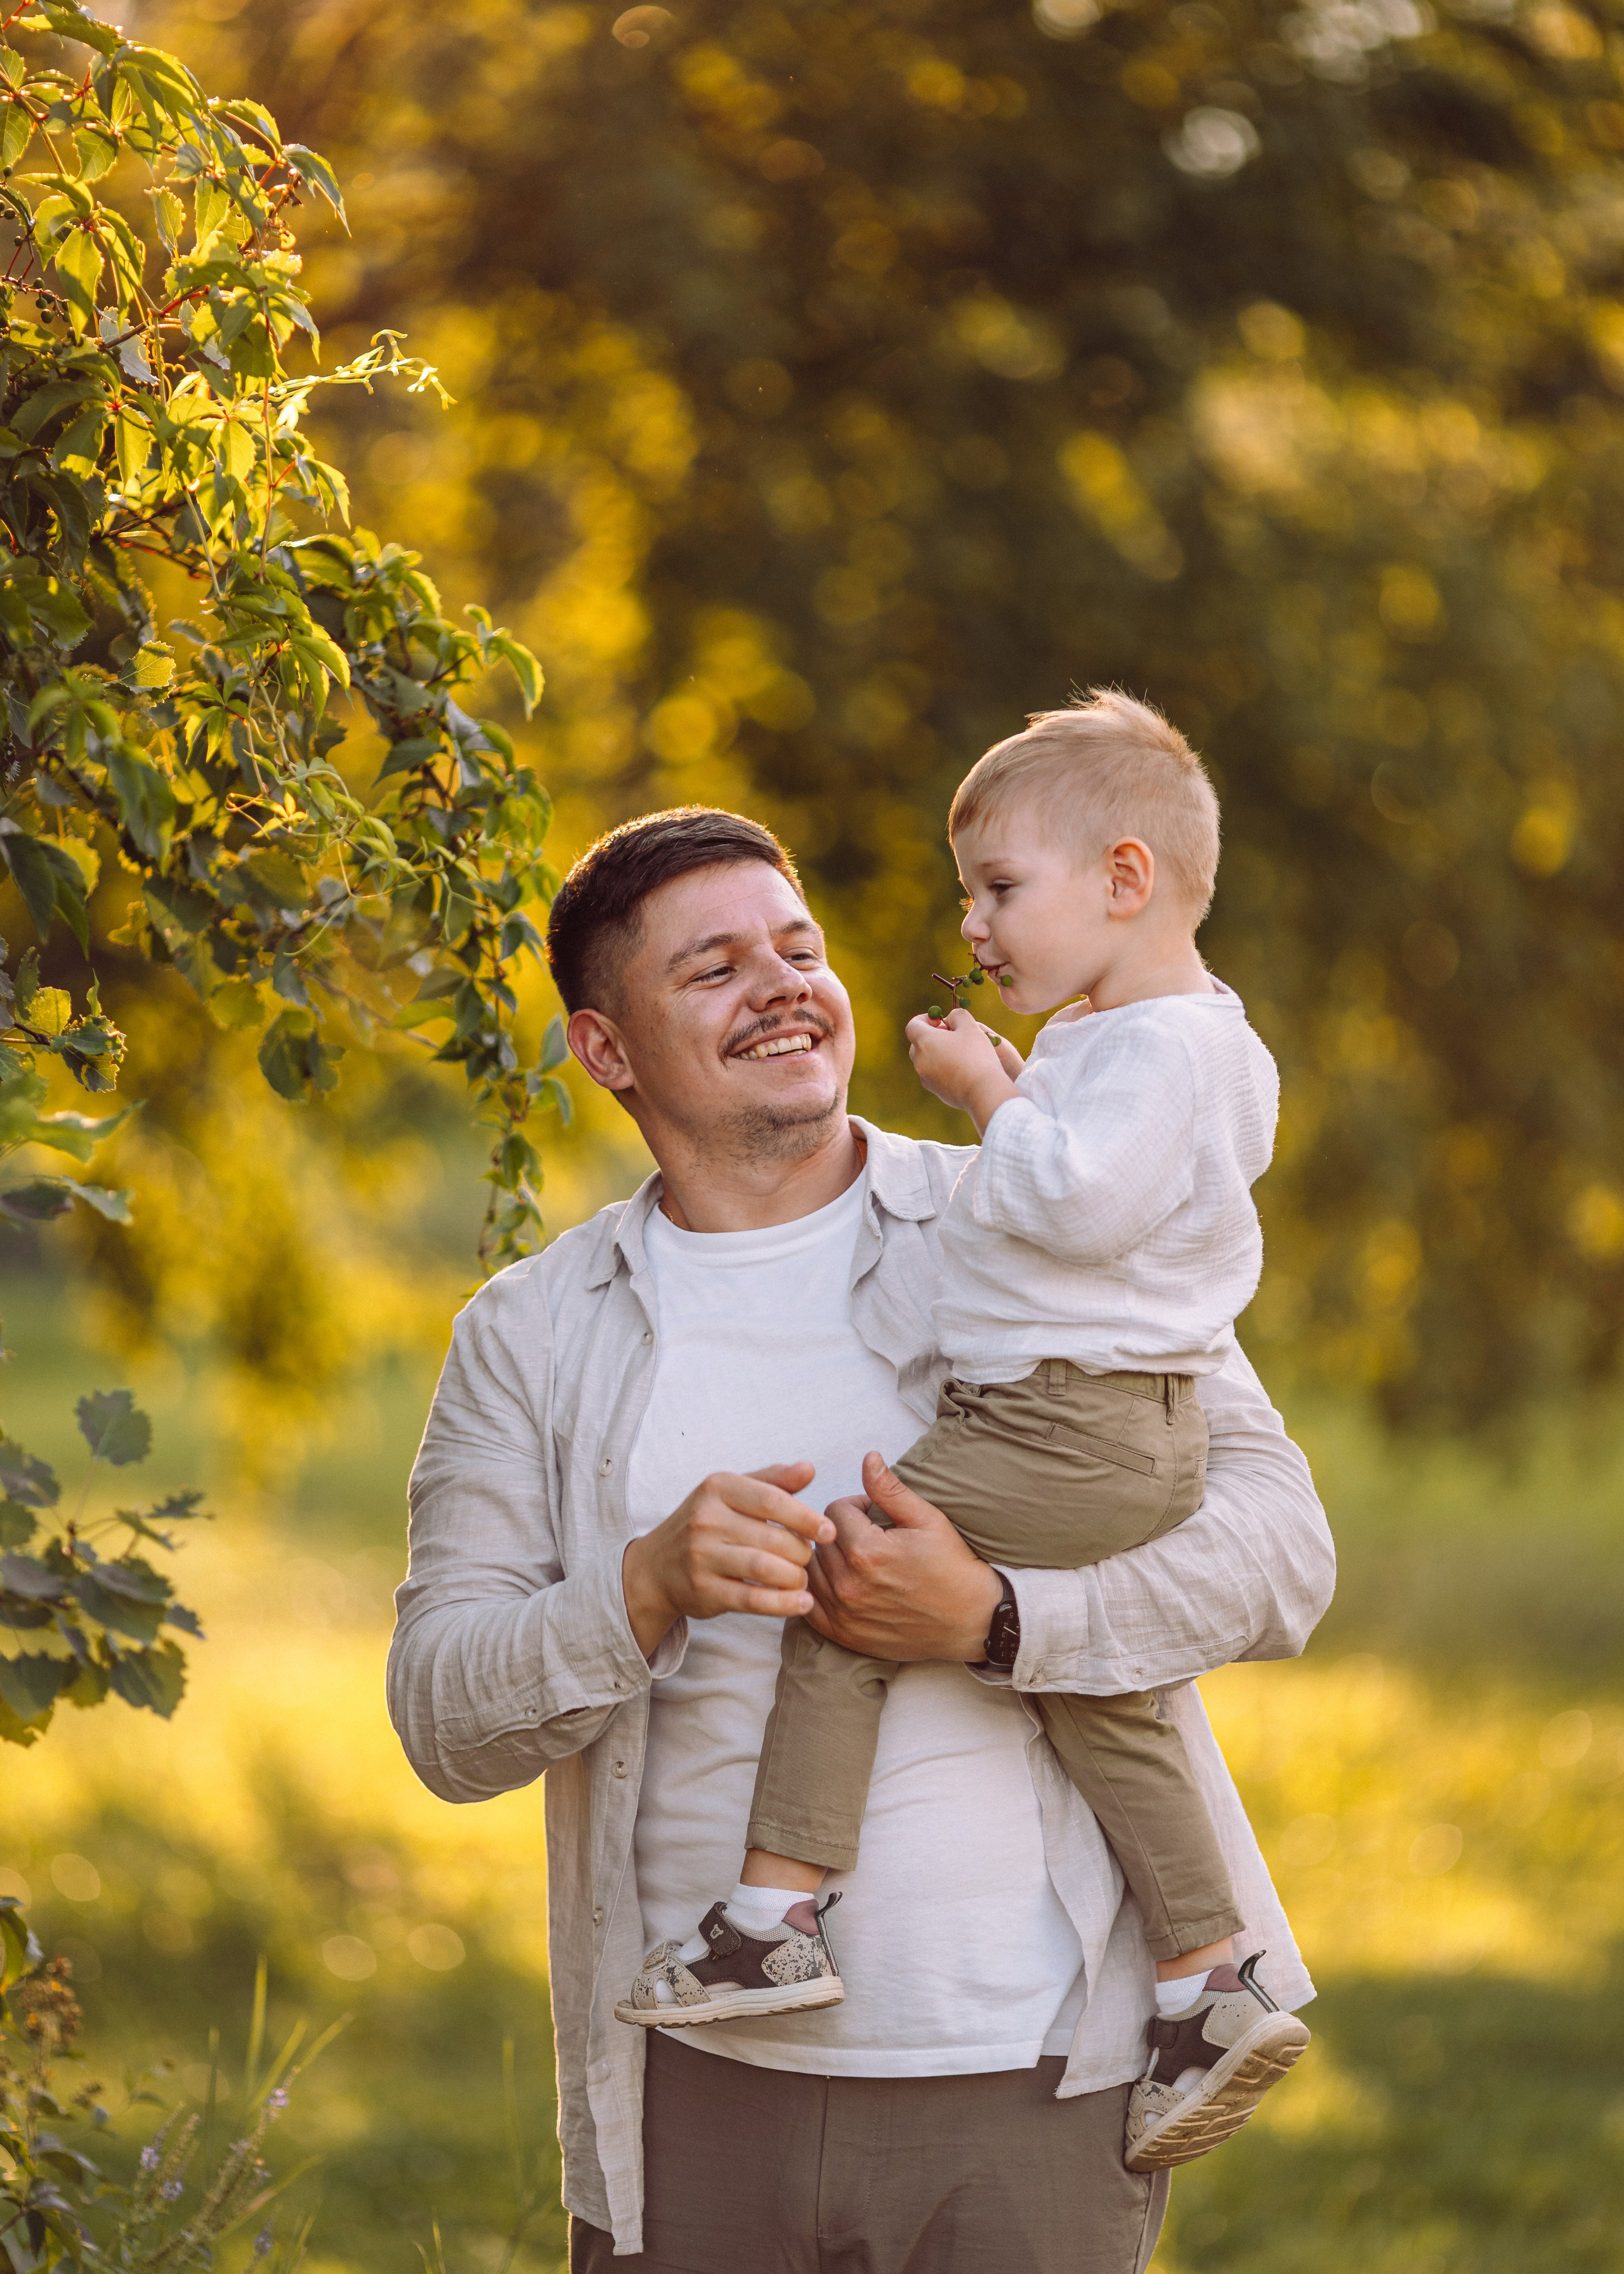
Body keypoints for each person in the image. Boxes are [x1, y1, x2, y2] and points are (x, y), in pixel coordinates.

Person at [387, 801, 1335, 2273]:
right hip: (692, 2100)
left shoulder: (1028, 1211)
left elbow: (1281, 1553)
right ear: (606, 1048)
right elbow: (443, 1719)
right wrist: (640, 1588)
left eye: (797, 947)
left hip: (1030, 2088)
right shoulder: (531, 1332)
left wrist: (995, 1620)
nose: (781, 986)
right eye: (713, 969)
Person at [617, 695, 1309, 2176]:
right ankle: (1208, 1981)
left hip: (1072, 1416)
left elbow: (1075, 1204)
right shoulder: (1140, 1041)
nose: (972, 925)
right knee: (1099, 1697)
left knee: (852, 1577)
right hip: (1104, 1423)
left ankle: (771, 1917)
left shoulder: (1159, 1051)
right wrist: (1028, 1078)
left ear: (1123, 880)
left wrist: (990, 1092)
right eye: (968, 896)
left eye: (998, 888)